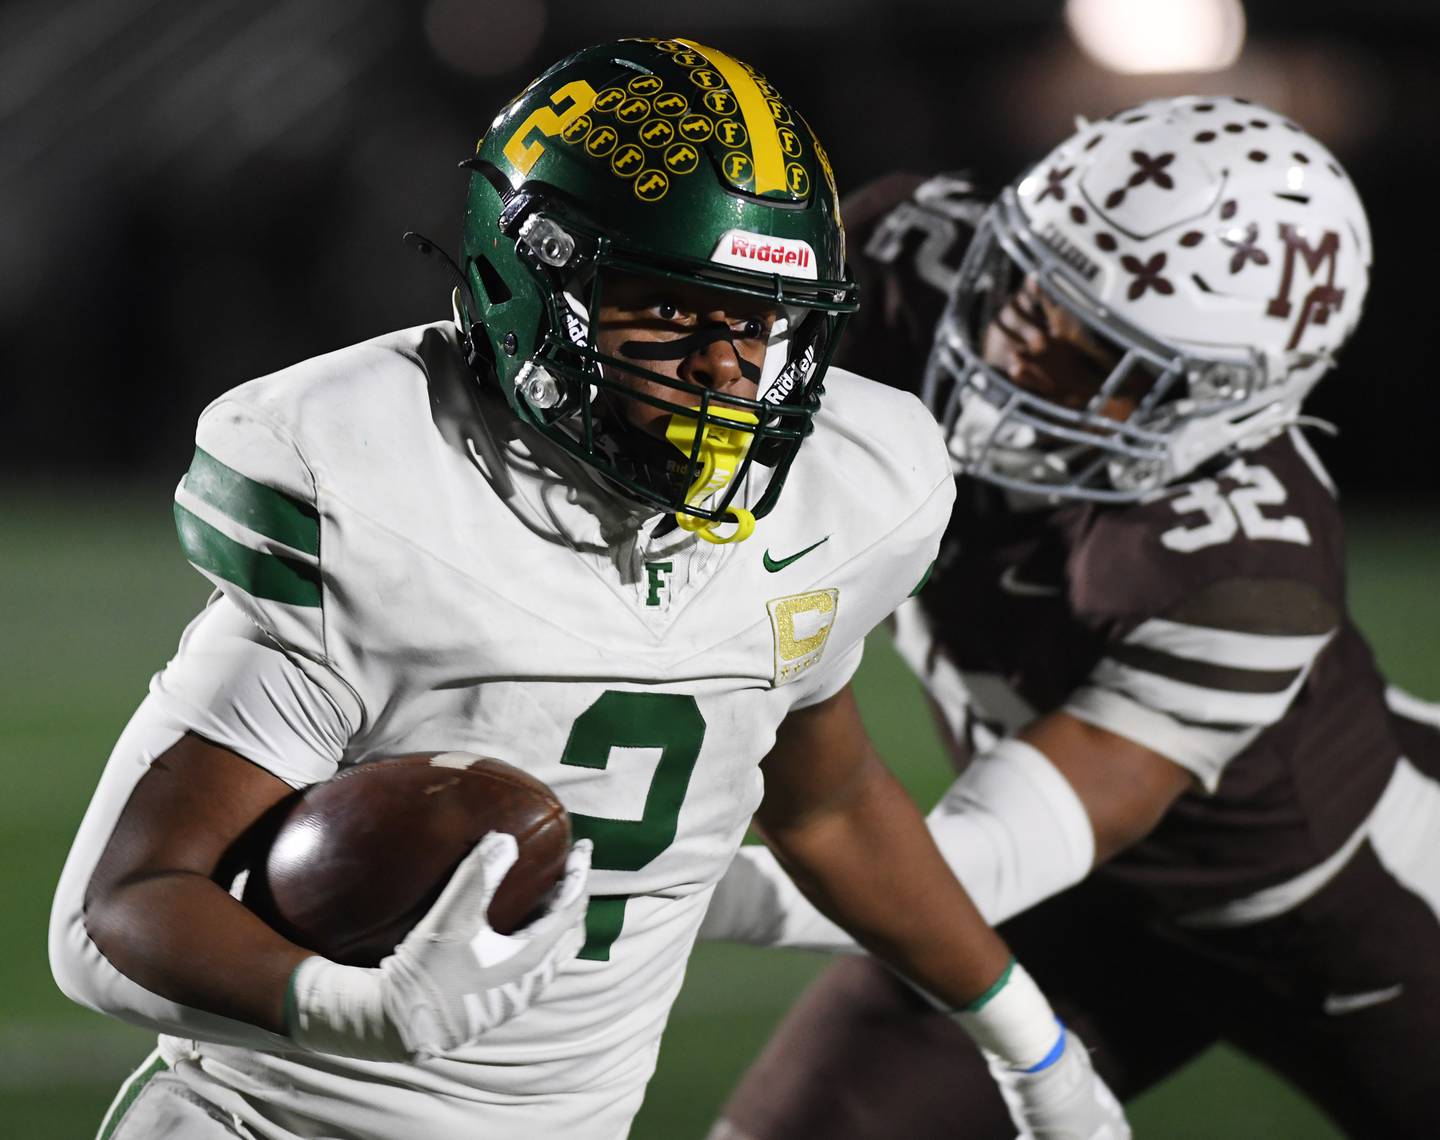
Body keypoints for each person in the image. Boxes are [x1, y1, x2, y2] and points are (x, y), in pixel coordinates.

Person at [48, 38, 1126, 1140]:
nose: (724, 368)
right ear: (534, 282)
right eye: (670, 311)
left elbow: (832, 804)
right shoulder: (373, 490)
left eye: (758, 320)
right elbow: (112, 920)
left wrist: (1030, 1045)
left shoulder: (846, 492)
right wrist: (360, 1011)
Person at [703, 95, 1440, 1139]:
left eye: (1094, 357)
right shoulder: (904, 264)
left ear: (1223, 406)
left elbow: (991, 852)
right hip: (1063, 914)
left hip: (1339, 922)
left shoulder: (1246, 567)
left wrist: (684, 885)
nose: (1010, 352)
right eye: (1024, 286)